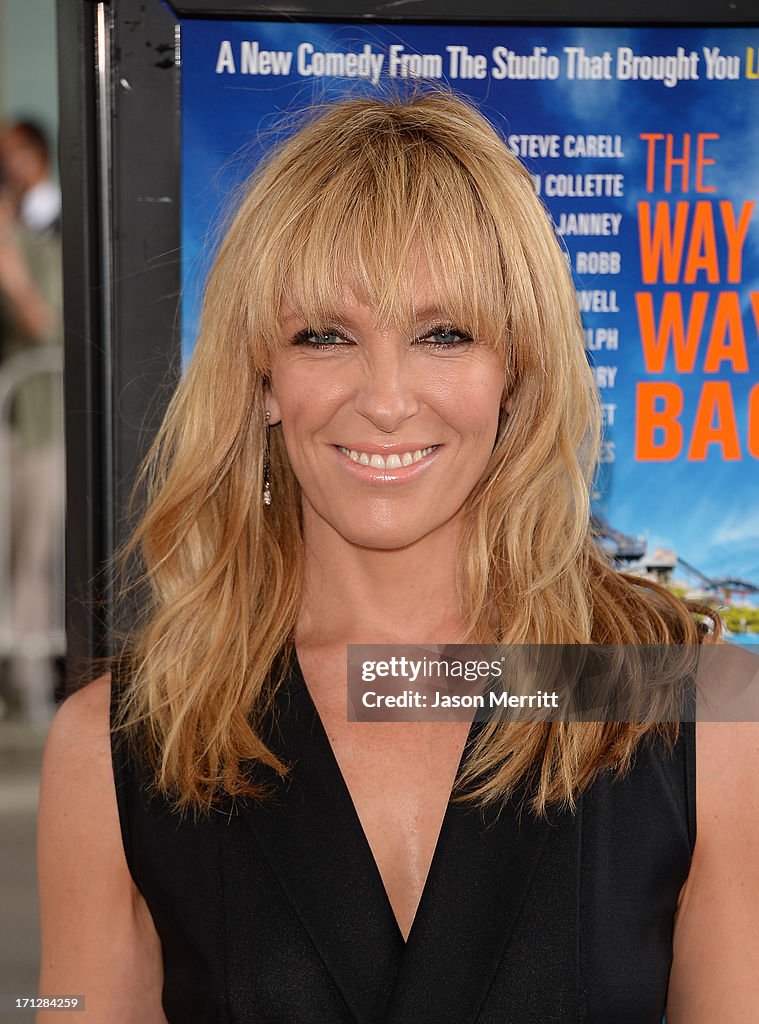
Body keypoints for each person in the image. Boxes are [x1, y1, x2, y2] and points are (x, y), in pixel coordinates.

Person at [36, 90, 758, 1022]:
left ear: (518, 372)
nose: (384, 399)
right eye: (325, 336)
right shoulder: (121, 747)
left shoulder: (683, 706)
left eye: (442, 334)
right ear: (262, 380)